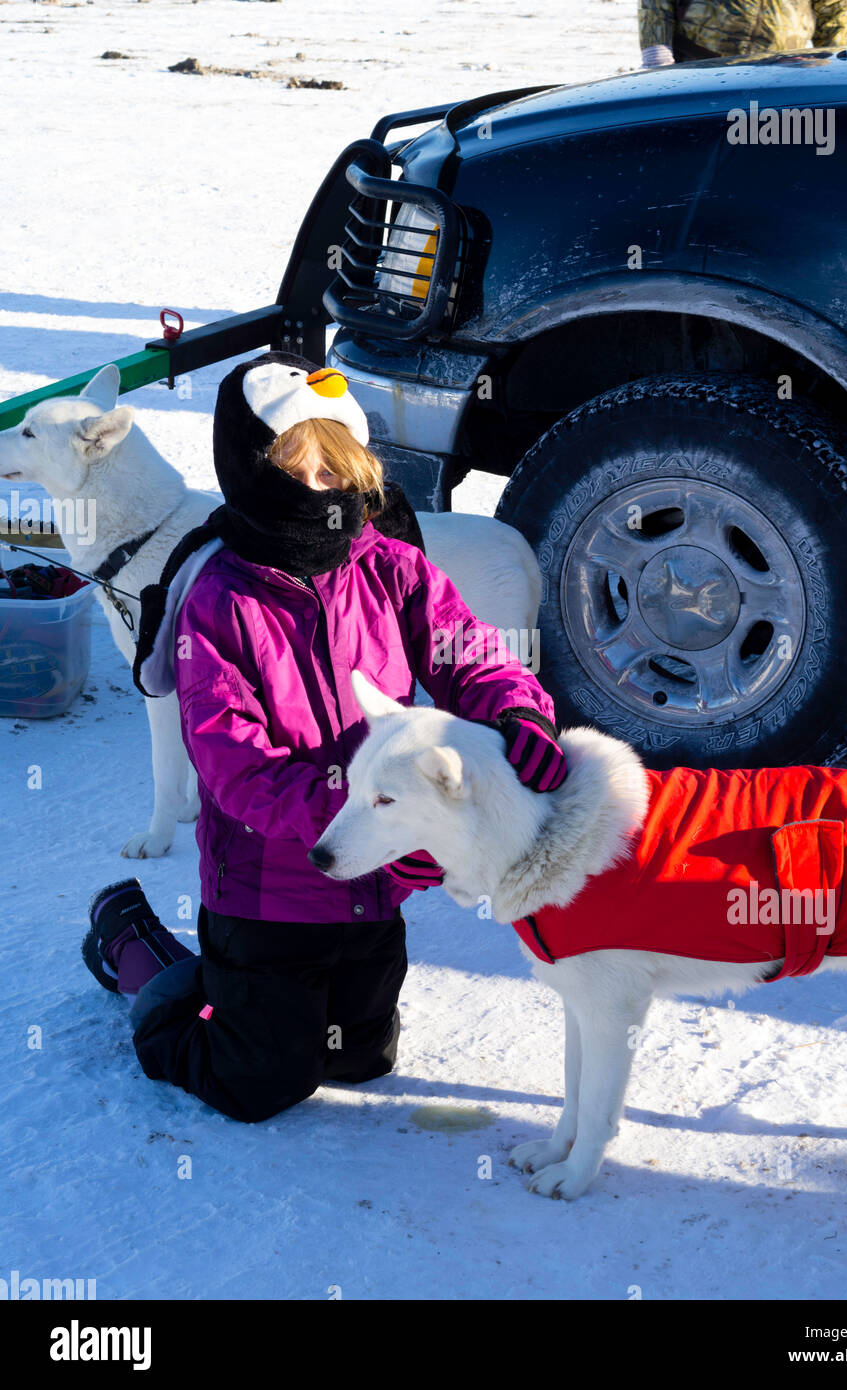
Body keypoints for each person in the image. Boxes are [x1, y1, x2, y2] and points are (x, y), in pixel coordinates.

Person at [81, 351, 567, 1124]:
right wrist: (354, 820)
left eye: (335, 474)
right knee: (261, 1082)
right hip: (266, 892)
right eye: (299, 474)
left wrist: (518, 714)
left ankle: (240, 996)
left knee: (359, 1060)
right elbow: (235, 765)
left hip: (375, 887)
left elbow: (465, 651)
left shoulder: (393, 569)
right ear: (250, 472)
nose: (321, 496)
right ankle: (140, 953)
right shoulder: (220, 596)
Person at [638, 0, 847, 68]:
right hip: (701, 65)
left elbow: (834, 8)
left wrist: (835, 59)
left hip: (784, 66)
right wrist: (656, 52)